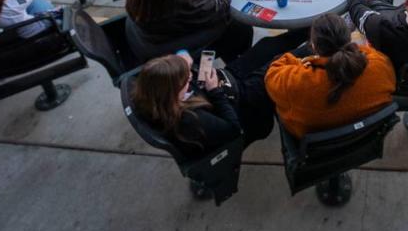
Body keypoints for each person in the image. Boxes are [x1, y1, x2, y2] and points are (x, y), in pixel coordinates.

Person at [130, 26, 308, 158]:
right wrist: (214, 90)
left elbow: (179, 74)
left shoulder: (154, 92)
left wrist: (185, 60)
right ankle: (319, 45)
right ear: (171, 93)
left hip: (230, 76)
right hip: (244, 98)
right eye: (185, 81)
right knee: (284, 62)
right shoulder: (191, 120)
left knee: (268, 45)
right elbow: (233, 129)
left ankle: (312, 28)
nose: (190, 78)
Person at [265, 13, 396, 138]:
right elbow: (367, 53)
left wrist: (304, 60)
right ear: (349, 39)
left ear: (314, 46)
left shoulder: (296, 82)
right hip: (362, 138)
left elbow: (271, 75)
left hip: (312, 145)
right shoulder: (379, 65)